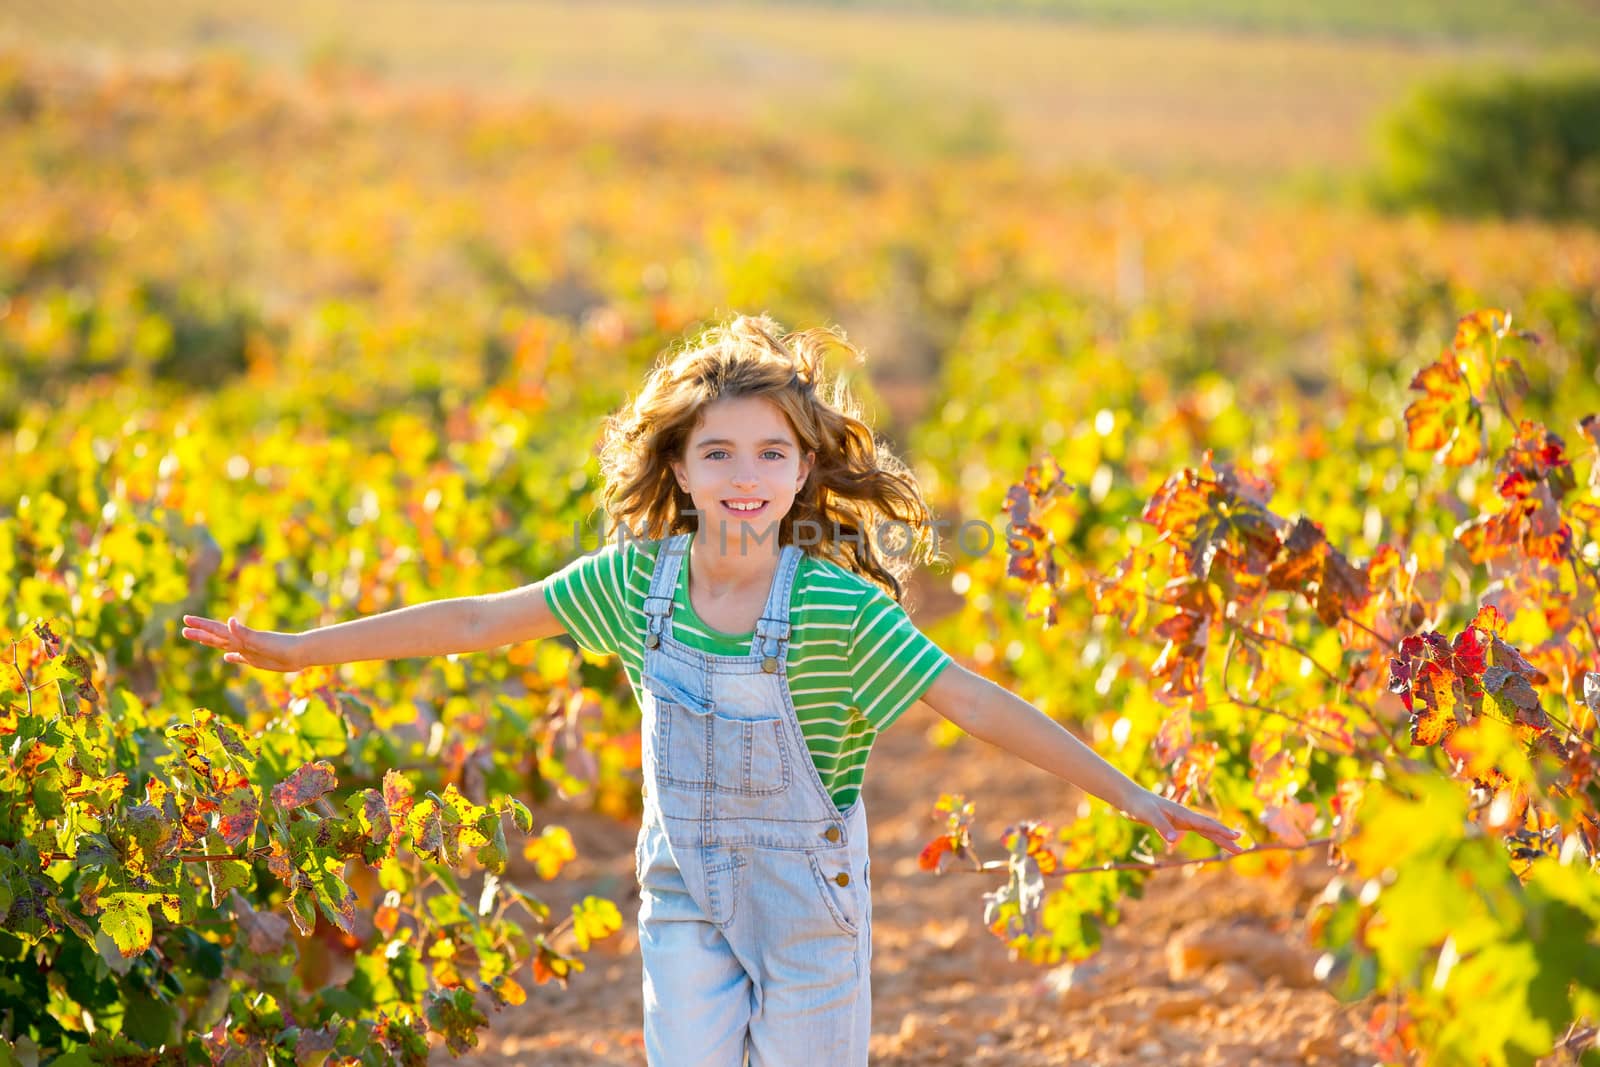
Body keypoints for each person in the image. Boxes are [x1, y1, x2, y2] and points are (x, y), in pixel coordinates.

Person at [182, 313, 1244, 1066]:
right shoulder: (632, 584)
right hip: (682, 890)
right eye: (719, 450)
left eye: (771, 453)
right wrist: (298, 650)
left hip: (807, 909)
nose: (746, 472)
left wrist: (1130, 795)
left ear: (802, 472)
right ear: (680, 470)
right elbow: (474, 620)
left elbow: (967, 698)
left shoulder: (835, 610)